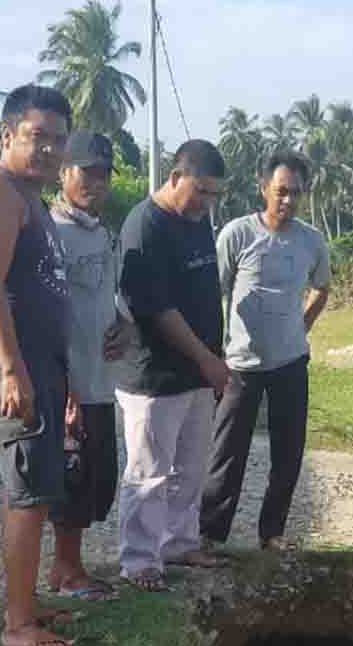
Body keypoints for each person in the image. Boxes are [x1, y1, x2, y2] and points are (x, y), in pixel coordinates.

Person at [0, 83, 78, 646]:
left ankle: (24, 606)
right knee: (26, 491)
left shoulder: (29, 196)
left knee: (32, 489)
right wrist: (11, 369)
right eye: (37, 137)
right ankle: (18, 626)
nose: (50, 150)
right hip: (12, 368)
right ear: (7, 135)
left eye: (59, 140)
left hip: (38, 365)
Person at [113, 139, 233, 591]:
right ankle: (139, 559)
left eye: (215, 194)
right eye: (200, 190)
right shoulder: (145, 226)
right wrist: (207, 359)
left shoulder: (197, 220)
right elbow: (158, 310)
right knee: (149, 472)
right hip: (154, 376)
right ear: (174, 177)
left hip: (198, 373)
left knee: (191, 467)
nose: (207, 202)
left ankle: (179, 542)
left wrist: (211, 359)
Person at [202, 150, 332, 553]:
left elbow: (321, 288)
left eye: (296, 193)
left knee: (288, 453)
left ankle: (271, 532)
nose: (288, 201)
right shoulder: (236, 234)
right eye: (281, 192)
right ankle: (210, 533)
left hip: (291, 363)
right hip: (240, 365)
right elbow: (213, 293)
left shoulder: (311, 240)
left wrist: (301, 325)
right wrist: (214, 352)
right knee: (227, 454)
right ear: (263, 189)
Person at [43, 130, 134, 602]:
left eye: (102, 175)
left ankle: (70, 567)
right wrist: (64, 388)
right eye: (85, 173)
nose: (95, 184)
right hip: (69, 379)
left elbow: (105, 296)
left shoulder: (102, 233)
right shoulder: (49, 233)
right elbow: (45, 313)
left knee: (97, 476)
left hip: (100, 377)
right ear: (63, 173)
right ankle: (66, 569)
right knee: (72, 475)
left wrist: (122, 324)